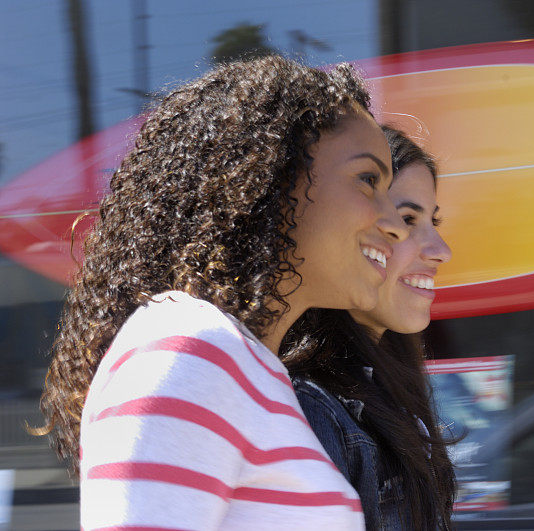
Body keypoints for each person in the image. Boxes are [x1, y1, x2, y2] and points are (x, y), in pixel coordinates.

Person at [38, 55, 411, 530]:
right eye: (368, 179)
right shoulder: (189, 347)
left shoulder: (244, 366)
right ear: (272, 177)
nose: (396, 223)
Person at [281, 126, 457, 530]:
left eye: (433, 220)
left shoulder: (381, 388)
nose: (441, 250)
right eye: (407, 219)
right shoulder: (314, 409)